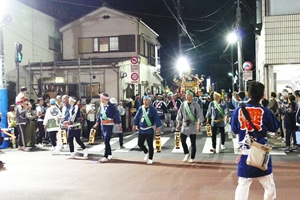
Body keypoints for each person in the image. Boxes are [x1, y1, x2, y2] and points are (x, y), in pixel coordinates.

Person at [231, 81, 279, 200]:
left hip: (245, 152)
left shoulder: (239, 110)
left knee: (243, 184)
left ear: (248, 94)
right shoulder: (265, 111)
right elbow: (275, 127)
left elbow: (234, 130)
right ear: (262, 96)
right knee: (269, 185)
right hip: (261, 152)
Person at [132, 95, 162, 164]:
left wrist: (158, 127)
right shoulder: (140, 108)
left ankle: (150, 158)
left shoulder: (152, 109)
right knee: (140, 143)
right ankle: (146, 152)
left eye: (146, 100)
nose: (145, 101)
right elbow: (136, 117)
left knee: (150, 144)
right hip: (141, 129)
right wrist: (134, 124)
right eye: (144, 100)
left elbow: (156, 118)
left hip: (149, 129)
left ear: (150, 101)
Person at [176, 90, 203, 163]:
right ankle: (186, 153)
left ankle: (192, 157)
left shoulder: (196, 104)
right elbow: (179, 114)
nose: (186, 96)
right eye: (186, 94)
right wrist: (179, 123)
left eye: (188, 95)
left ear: (192, 96)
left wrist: (199, 124)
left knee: (193, 142)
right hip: (185, 124)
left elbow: (199, 115)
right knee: (182, 140)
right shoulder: (183, 104)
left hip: (192, 124)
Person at [93, 93, 121, 162]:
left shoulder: (112, 106)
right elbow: (100, 115)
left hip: (109, 125)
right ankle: (110, 154)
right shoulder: (102, 106)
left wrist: (119, 124)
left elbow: (116, 115)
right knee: (105, 140)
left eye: (101, 98)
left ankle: (105, 156)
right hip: (103, 125)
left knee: (106, 140)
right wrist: (97, 123)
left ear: (104, 99)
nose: (100, 99)